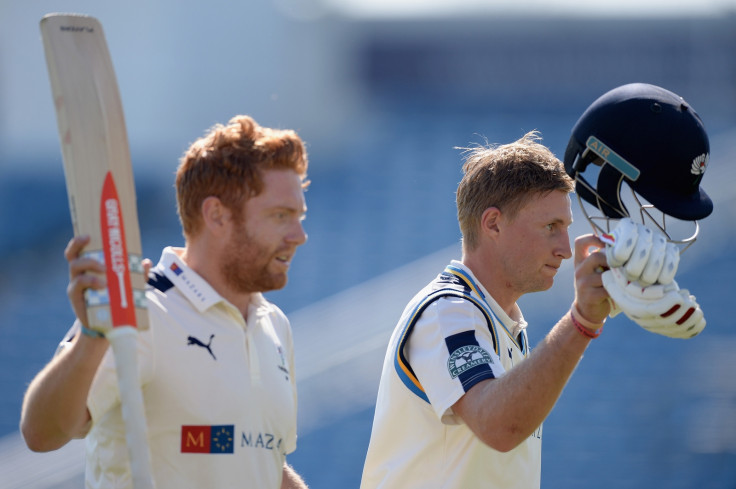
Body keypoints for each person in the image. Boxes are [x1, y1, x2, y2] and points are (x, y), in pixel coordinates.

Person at [21, 115, 311, 489]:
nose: (300, 235)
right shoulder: (141, 310)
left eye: (299, 216)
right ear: (217, 215)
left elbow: (260, 460)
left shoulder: (274, 325)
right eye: (281, 216)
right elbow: (42, 434)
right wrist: (93, 339)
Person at [360, 131, 611, 489]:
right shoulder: (447, 311)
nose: (565, 250)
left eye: (566, 228)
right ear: (493, 223)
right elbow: (498, 426)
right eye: (551, 227)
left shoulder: (500, 323)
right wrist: (583, 321)